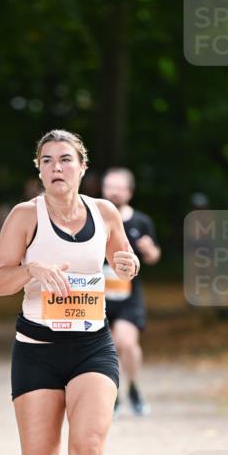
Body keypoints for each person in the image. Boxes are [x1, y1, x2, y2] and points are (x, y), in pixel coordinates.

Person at [0, 129, 140, 455]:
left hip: (92, 345)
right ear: (39, 169)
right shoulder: (24, 217)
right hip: (37, 349)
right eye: (48, 160)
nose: (58, 167)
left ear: (82, 167)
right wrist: (32, 269)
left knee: (88, 447)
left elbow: (121, 257)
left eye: (66, 159)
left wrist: (128, 263)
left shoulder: (105, 212)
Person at [101, 168, 161, 416]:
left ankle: (134, 387)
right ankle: (111, 396)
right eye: (109, 187)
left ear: (130, 191)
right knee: (105, 347)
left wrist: (148, 250)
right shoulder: (92, 217)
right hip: (97, 296)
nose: (114, 192)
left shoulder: (141, 221)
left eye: (119, 187)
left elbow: (155, 256)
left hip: (128, 297)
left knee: (124, 342)